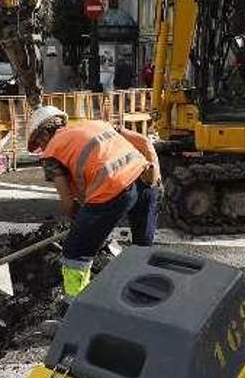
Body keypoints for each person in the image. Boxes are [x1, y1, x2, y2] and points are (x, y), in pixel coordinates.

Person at [26, 105, 161, 300]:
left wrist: (80, 224)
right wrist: (154, 170)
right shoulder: (96, 124)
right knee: (143, 248)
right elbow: (144, 142)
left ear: (45, 133)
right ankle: (145, 296)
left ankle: (74, 306)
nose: (42, 149)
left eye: (39, 143)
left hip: (112, 189)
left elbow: (67, 203)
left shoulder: (52, 153)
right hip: (146, 180)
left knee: (74, 252)